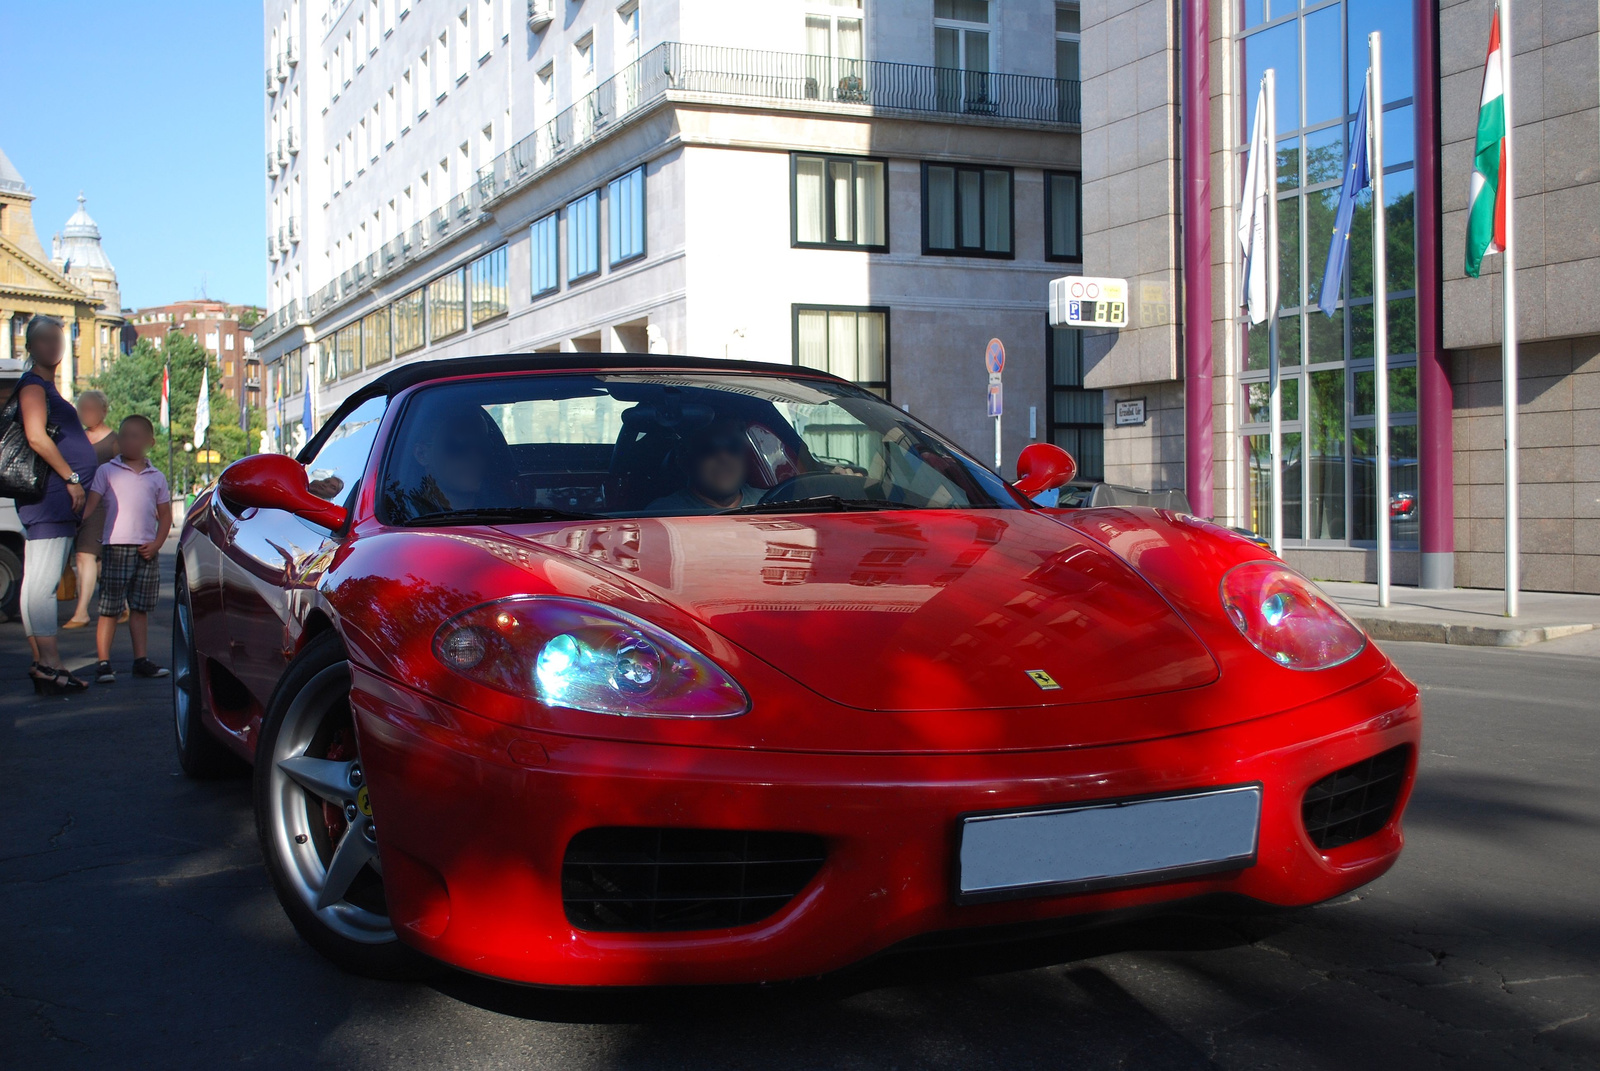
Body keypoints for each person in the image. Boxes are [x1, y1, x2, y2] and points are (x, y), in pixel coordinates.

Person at [15, 316, 97, 694]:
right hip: (51, 497)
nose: (53, 345)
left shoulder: (45, 386)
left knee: (36, 582)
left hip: (51, 496)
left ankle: (42, 661)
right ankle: (51, 663)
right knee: (43, 584)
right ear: (30, 346)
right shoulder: (34, 386)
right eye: (45, 339)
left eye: (58, 339)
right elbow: (36, 437)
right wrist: (72, 478)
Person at [82, 414, 171, 683]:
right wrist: (76, 521)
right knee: (110, 607)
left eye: (135, 436)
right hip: (115, 547)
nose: (128, 441)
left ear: (150, 442)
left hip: (146, 549)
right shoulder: (106, 471)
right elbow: (91, 504)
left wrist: (156, 544)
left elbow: (165, 516)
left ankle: (140, 659)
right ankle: (103, 662)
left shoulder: (156, 477)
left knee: (140, 608)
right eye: (123, 436)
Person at [63, 389, 119, 629]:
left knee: (84, 556)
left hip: (102, 506)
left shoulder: (115, 441)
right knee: (95, 562)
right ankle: (121, 604)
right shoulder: (77, 438)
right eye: (82, 409)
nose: (86, 413)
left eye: (92, 408)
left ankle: (82, 612)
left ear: (104, 411)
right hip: (78, 503)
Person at [649, 420, 763, 513]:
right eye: (708, 448)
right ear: (685, 463)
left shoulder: (772, 502)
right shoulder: (662, 514)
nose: (724, 457)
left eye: (734, 446)